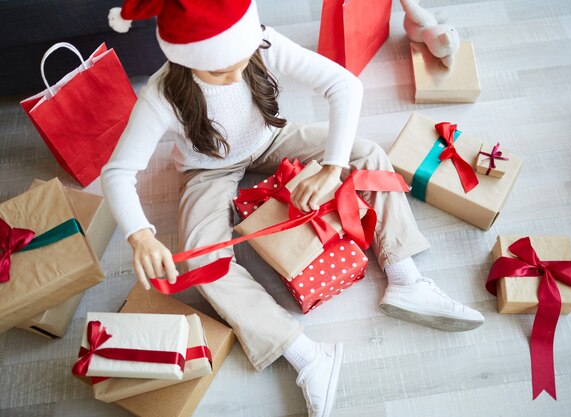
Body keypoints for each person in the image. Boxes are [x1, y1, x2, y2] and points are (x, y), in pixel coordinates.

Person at [102, 1, 484, 416]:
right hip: (208, 170)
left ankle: (405, 278)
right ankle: (306, 355)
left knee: (367, 152)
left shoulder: (260, 42)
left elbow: (345, 87)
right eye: (217, 70)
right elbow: (118, 172)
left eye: (239, 60)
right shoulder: (160, 95)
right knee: (202, 261)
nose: (233, 73)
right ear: (183, 58)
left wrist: (333, 167)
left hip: (272, 141)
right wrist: (140, 234)